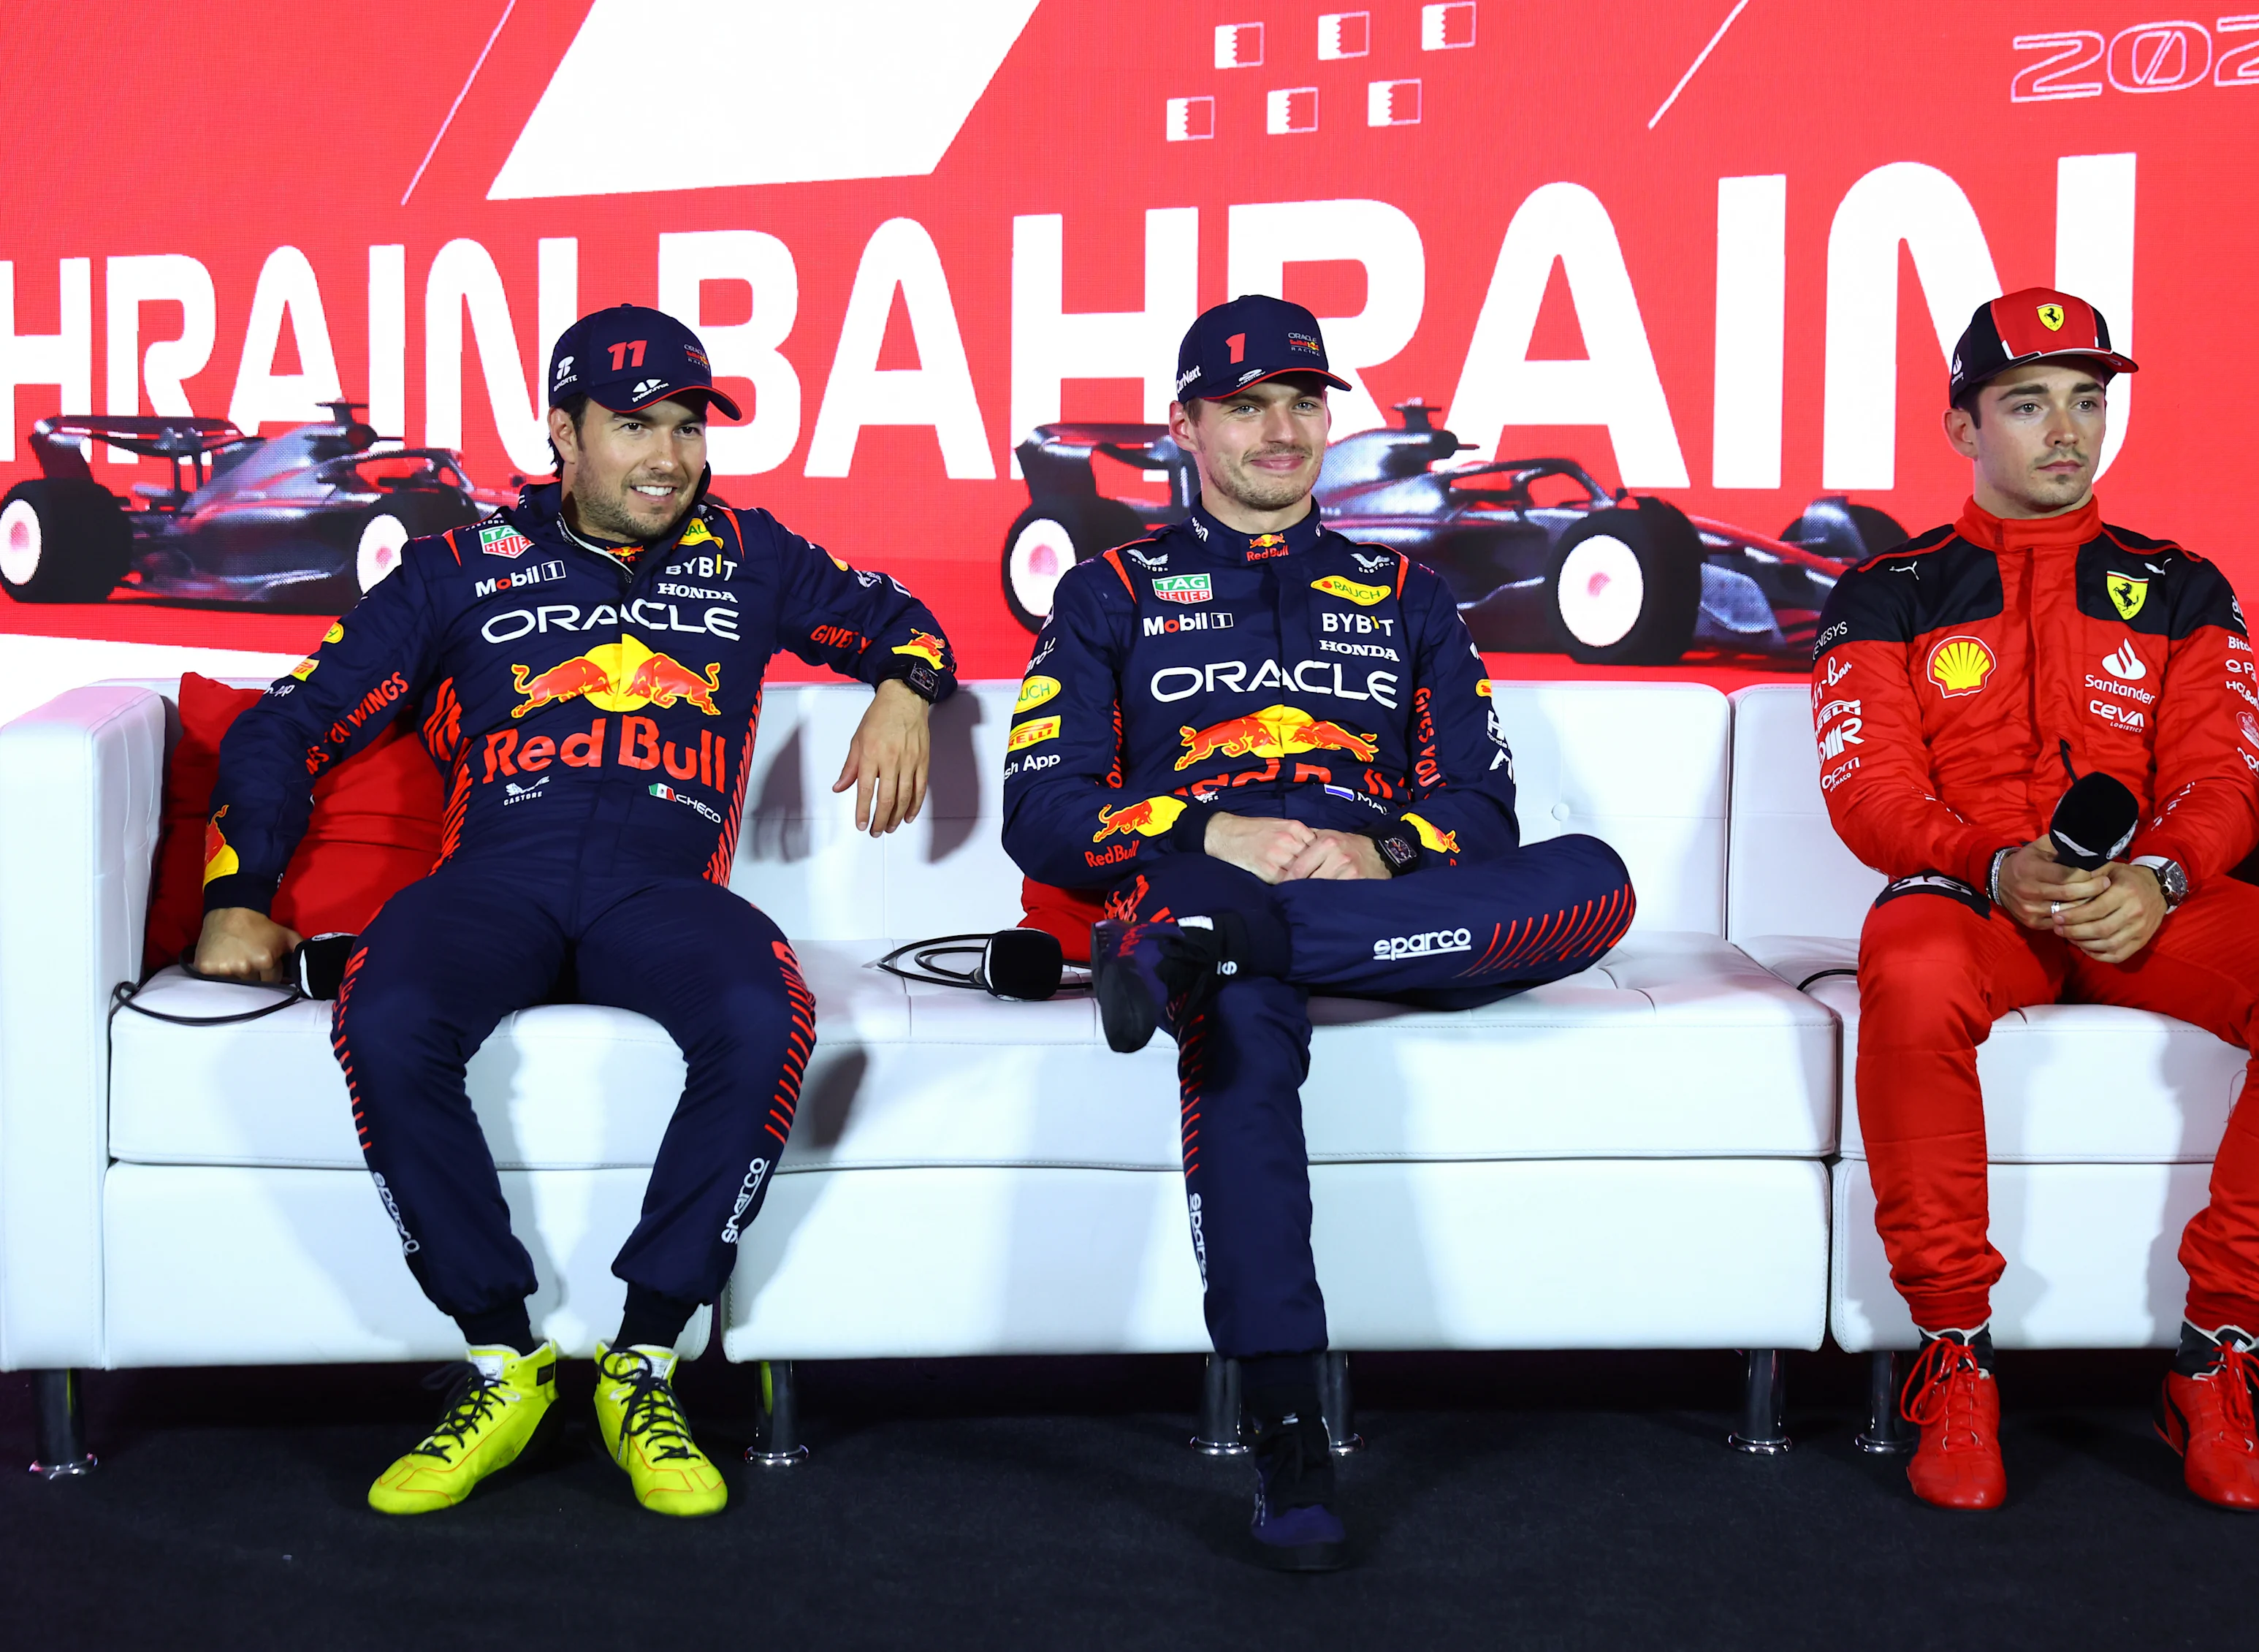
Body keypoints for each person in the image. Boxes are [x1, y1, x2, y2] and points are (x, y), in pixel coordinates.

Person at [195, 303, 957, 1518]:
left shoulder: (752, 555)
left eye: (689, 426)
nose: (671, 456)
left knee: (768, 1018)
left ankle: (645, 1358)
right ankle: (502, 1359)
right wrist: (239, 893)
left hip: (663, 890)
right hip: (493, 879)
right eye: (635, 426)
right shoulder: (457, 567)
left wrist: (908, 688)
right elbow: (291, 719)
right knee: (384, 1014)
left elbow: (903, 620)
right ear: (561, 430)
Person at [1003, 295, 1636, 1569]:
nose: (1283, 431)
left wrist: (1386, 846)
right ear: (1185, 426)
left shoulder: (1412, 593)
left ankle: (1214, 943)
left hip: (1371, 902)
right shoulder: (1106, 590)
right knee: (1234, 1013)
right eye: (1246, 407)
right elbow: (1043, 810)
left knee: (1595, 878)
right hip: (1201, 879)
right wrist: (1203, 831)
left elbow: (1484, 806)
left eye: (1303, 402)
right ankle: (1292, 1430)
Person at [1810, 286, 2259, 1512]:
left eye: (2088, 400)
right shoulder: (1887, 590)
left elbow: (2226, 772)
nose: (2066, 430)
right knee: (1905, 971)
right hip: (1972, 900)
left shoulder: (2179, 582)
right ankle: (1954, 1355)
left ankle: (2217, 1355)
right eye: (2028, 404)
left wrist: (2162, 876)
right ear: (1964, 429)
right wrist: (1990, 867)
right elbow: (1868, 790)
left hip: (2154, 902)